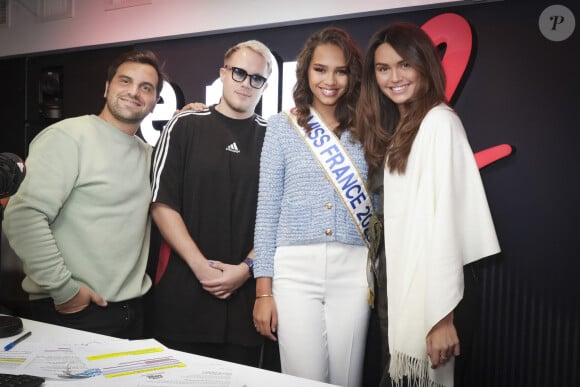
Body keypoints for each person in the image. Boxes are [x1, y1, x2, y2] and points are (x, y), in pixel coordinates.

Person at [355, 22, 501, 387]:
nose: (394, 77)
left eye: (404, 64)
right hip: (400, 285)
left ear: (425, 65)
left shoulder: (439, 122)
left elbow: (446, 226)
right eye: (383, 68)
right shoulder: (405, 125)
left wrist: (441, 319)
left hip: (439, 296)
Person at [2, 50, 164, 339]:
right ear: (107, 88)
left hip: (132, 313)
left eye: (146, 87)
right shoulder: (68, 136)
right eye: (125, 81)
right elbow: (23, 216)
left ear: (154, 103)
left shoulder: (151, 156)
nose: (134, 92)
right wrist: (66, 292)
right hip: (72, 311)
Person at [253, 27, 371, 387]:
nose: (330, 80)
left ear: (352, 75)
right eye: (320, 69)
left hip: (353, 270)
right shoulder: (281, 127)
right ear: (306, 71)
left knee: (347, 379)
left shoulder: (368, 129)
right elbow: (267, 210)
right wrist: (263, 292)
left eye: (340, 70)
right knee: (303, 380)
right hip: (294, 271)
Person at [149, 40, 273, 367]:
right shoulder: (185, 125)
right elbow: (162, 204)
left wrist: (245, 270)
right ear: (222, 73)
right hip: (182, 297)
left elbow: (278, 219)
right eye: (239, 73)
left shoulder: (272, 137)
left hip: (243, 305)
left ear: (265, 84)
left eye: (256, 78)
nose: (246, 83)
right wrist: (201, 267)